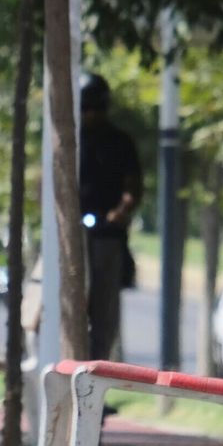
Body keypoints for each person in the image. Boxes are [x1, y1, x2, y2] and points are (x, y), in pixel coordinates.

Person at [79, 73, 144, 362]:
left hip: (106, 233)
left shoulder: (120, 142)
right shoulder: (68, 140)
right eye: (86, 108)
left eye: (96, 108)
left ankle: (97, 365)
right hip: (73, 234)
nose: (91, 114)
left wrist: (121, 210)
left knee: (104, 314)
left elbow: (133, 187)